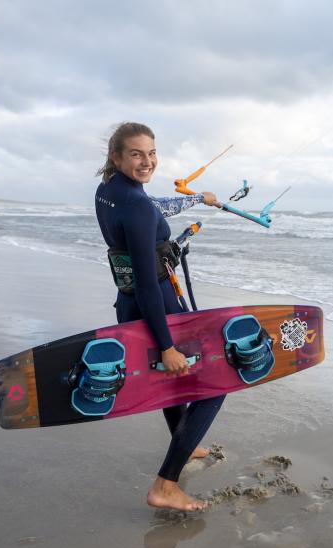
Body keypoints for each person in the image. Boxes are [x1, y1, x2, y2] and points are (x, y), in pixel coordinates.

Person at [94, 122, 224, 512]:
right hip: (156, 304)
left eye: (152, 153)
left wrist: (198, 197)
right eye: (136, 154)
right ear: (117, 157)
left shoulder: (109, 191)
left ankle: (185, 441)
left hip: (128, 301)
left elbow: (156, 208)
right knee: (215, 384)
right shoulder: (135, 205)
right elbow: (150, 282)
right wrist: (166, 344)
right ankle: (165, 485)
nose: (147, 161)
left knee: (174, 383)